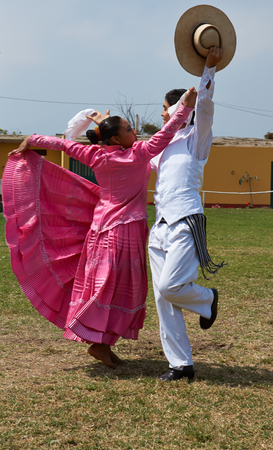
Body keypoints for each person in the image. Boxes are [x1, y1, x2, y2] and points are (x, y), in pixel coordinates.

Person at [4, 89, 196, 369]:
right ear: (117, 139)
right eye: (130, 128)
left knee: (104, 284)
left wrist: (31, 140)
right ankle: (98, 341)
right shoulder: (138, 154)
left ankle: (102, 344)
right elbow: (166, 134)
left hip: (100, 230)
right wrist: (185, 109)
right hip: (125, 230)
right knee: (116, 287)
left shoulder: (95, 154)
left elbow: (63, 145)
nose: (136, 131)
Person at [148, 46, 225, 381]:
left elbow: (205, 107)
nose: (163, 114)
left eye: (167, 108)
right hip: (159, 227)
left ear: (181, 108)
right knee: (164, 301)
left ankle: (208, 299)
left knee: (169, 287)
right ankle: (181, 365)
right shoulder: (160, 145)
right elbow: (131, 162)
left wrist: (208, 71)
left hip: (186, 221)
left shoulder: (197, 138)